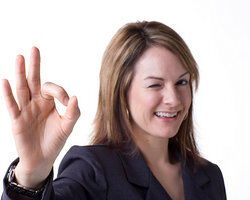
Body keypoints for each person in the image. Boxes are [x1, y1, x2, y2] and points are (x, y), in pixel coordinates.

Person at [1, 21, 227, 200]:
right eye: (155, 85)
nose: (173, 99)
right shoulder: (92, 169)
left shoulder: (209, 175)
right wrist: (30, 177)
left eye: (182, 82)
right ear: (121, 92)